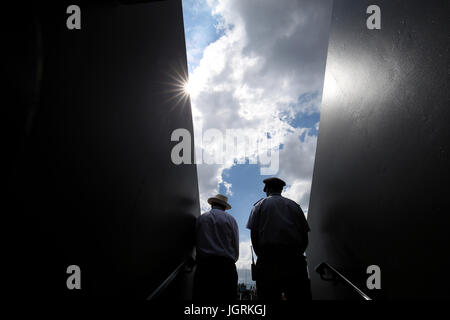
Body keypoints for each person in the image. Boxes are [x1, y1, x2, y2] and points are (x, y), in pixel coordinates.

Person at [246, 177, 311, 300]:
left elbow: (254, 235)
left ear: (267, 189)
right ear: (281, 189)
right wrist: (298, 253)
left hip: (268, 261)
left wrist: (262, 255)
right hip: (294, 261)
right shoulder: (294, 206)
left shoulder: (259, 206)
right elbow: (304, 235)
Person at [193, 194, 239, 301]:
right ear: (224, 207)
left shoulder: (201, 218)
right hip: (226, 266)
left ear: (212, 204)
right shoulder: (231, 220)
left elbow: (195, 240)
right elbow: (235, 243)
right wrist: (233, 260)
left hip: (204, 266)